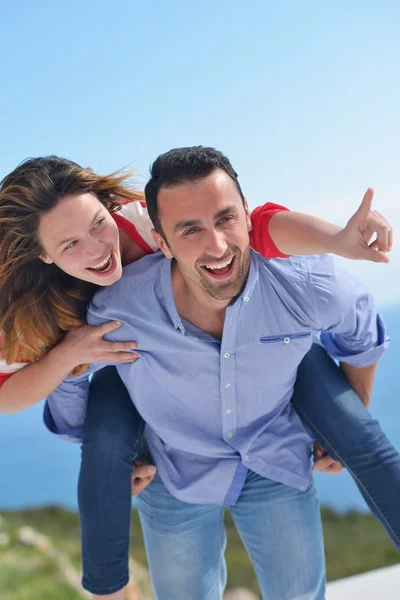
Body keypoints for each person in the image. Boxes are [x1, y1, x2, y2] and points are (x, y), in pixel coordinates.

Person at [43, 147, 395, 599]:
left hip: (276, 459)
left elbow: (362, 335)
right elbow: (72, 379)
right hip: (174, 474)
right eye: (190, 230)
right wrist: (113, 454)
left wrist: (346, 421)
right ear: (162, 244)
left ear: (248, 217)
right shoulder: (120, 310)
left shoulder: (308, 284)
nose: (217, 246)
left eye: (225, 219)